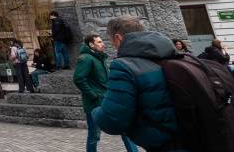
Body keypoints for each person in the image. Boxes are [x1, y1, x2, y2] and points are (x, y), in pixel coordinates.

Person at [91, 16, 179, 151]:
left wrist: (96, 112)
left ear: (118, 38)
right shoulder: (175, 55)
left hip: (166, 144)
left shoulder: (123, 66)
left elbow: (113, 120)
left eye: (111, 41)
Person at [74, 34, 140, 152]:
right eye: (99, 42)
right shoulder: (85, 58)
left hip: (109, 99)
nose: (103, 44)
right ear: (91, 44)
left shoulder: (101, 58)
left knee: (125, 130)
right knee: (94, 135)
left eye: (102, 41)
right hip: (95, 103)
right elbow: (78, 79)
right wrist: (93, 95)